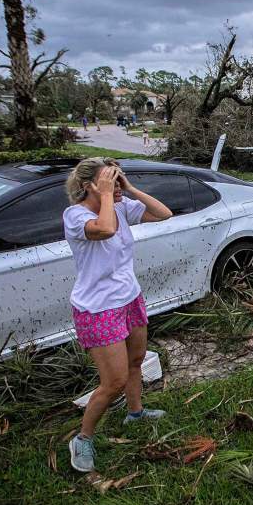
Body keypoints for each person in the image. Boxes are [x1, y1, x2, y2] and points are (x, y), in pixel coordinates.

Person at [63, 157, 173, 472]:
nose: (115, 183)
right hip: (98, 308)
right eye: (108, 179)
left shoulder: (121, 206)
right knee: (113, 382)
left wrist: (129, 188)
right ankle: (82, 439)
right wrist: (109, 196)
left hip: (129, 298)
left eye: (116, 177)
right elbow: (106, 229)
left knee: (136, 362)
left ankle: (135, 412)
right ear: (89, 186)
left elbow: (164, 213)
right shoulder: (75, 215)